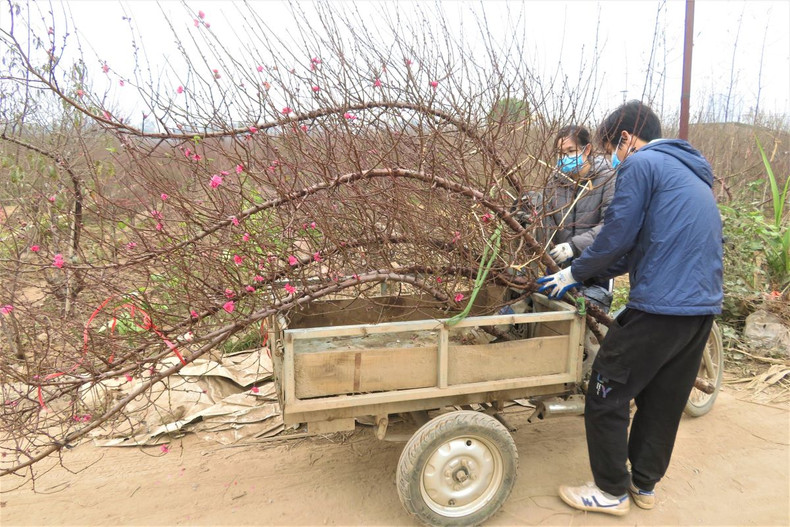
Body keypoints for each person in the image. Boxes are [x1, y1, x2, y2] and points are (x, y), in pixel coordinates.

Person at [536, 100, 723, 516]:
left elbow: (617, 232)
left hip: (661, 306)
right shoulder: (690, 173)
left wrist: (573, 272)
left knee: (606, 389)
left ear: (625, 138)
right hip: (700, 308)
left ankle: (609, 491)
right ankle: (644, 484)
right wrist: (581, 272)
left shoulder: (642, 164)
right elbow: (636, 248)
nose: (614, 158)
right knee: (663, 399)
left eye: (611, 148)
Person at [544, 125, 617, 313]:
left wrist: (574, 246)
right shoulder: (556, 181)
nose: (565, 158)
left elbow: (611, 225)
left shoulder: (608, 179)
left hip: (597, 267)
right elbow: (548, 222)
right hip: (559, 265)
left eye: (571, 151)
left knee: (589, 319)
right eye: (561, 153)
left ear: (588, 149)